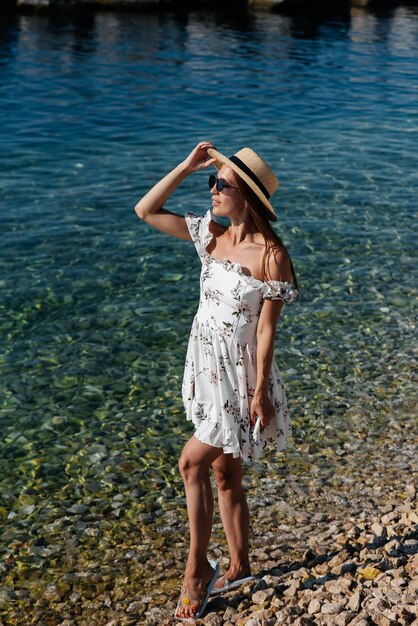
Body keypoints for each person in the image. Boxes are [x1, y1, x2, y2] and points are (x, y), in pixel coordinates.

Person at [134, 141, 299, 620]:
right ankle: (241, 564)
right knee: (225, 475)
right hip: (206, 369)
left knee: (191, 464)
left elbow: (266, 330)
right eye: (212, 182)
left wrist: (261, 390)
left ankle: (195, 572)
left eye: (220, 183)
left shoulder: (272, 257)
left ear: (245, 194)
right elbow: (146, 210)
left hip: (240, 379)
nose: (213, 190)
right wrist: (187, 165)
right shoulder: (210, 235)